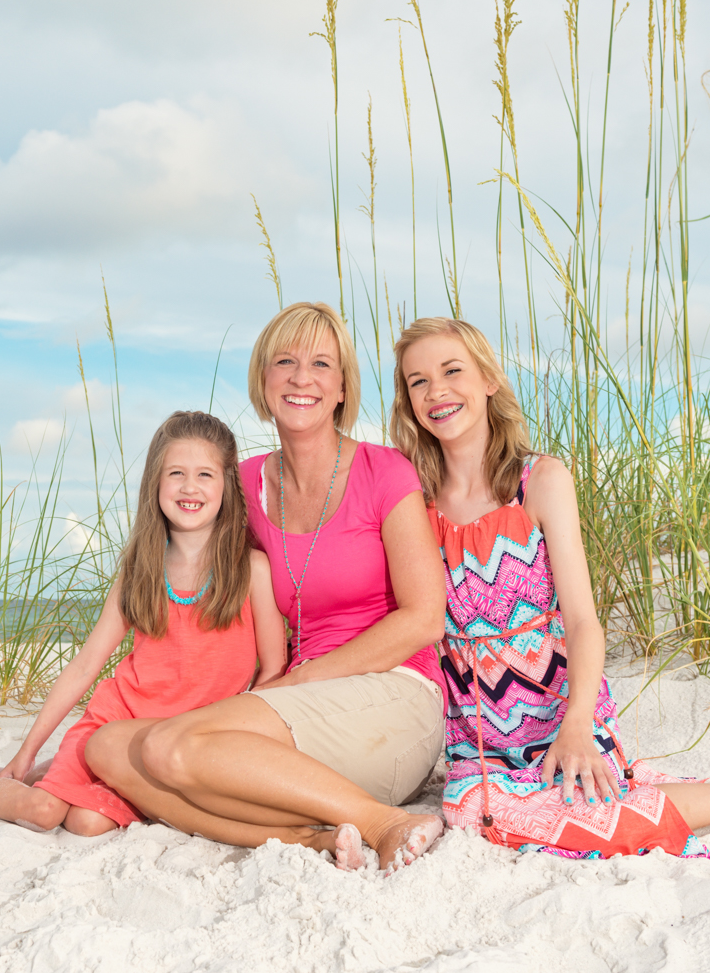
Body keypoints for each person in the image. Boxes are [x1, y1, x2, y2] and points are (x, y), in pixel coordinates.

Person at [391, 316, 710, 857]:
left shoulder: (540, 481)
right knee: (479, 815)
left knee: (590, 809)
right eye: (418, 381)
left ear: (488, 380)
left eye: (452, 370)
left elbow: (581, 620)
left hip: (560, 703)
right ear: (407, 399)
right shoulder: (413, 501)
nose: (437, 391)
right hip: (479, 733)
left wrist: (576, 725)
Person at [86, 302, 449, 873]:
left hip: (392, 696)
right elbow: (186, 580)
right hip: (293, 701)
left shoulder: (386, 471)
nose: (302, 377)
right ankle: (311, 839)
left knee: (165, 749)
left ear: (342, 388)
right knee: (107, 746)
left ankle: (383, 822)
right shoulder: (247, 483)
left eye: (321, 365)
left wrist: (304, 676)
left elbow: (425, 618)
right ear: (263, 379)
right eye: (285, 361)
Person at [0, 411, 288, 835]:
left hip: (184, 741)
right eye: (175, 472)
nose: (189, 487)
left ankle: (58, 766)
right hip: (118, 724)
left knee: (87, 822)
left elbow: (272, 671)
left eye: (205, 474)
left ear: (228, 485)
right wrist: (23, 755)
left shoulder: (250, 570)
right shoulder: (140, 571)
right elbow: (85, 666)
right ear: (155, 482)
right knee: (46, 812)